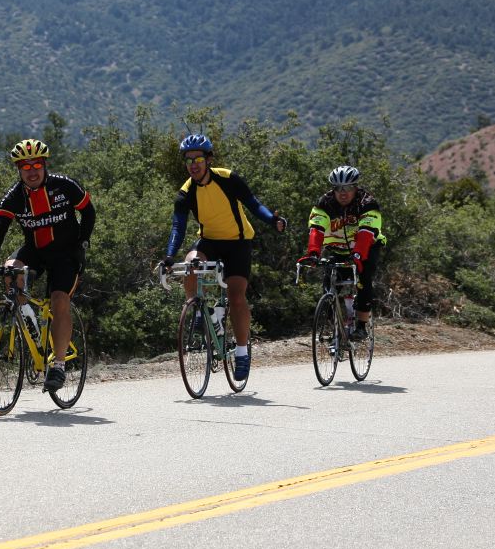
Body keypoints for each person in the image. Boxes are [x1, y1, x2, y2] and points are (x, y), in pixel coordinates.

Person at [163, 133, 287, 381]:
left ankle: (241, 352)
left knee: (236, 296)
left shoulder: (228, 179)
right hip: (209, 241)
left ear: (208, 159)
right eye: (188, 160)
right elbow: (178, 226)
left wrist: (272, 220)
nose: (193, 164)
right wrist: (168, 256)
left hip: (238, 242)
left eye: (198, 158)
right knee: (190, 265)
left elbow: (253, 204)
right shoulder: (185, 193)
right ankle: (199, 313)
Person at [0, 138, 95, 391]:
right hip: (36, 251)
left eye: (36, 165)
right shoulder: (15, 196)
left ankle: (59, 366)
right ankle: (28, 317)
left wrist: (82, 242)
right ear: (19, 170)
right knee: (10, 270)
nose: (32, 171)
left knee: (59, 299)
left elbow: (89, 211)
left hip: (66, 255)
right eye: (25, 167)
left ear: (45, 165)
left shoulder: (64, 186)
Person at [297, 165, 386, 341]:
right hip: (338, 248)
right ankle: (334, 327)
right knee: (329, 285)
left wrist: (359, 255)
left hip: (367, 247)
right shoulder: (324, 203)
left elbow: (366, 232)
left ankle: (361, 326)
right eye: (338, 188)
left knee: (364, 280)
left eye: (348, 188)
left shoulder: (367, 203)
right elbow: (316, 228)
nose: (343, 193)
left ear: (356, 187)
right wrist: (313, 252)